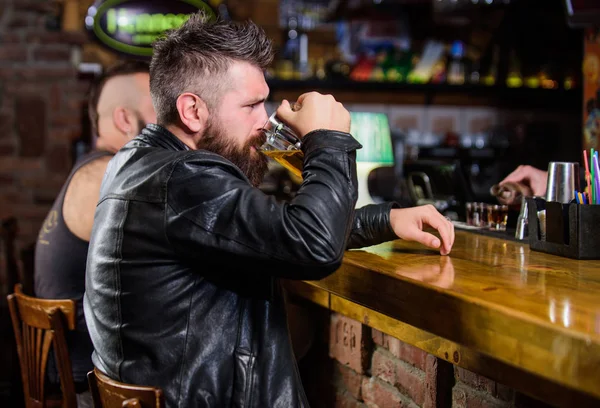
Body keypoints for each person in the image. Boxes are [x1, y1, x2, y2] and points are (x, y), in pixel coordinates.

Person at [83, 12, 454, 408]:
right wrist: (328, 139)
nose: (265, 121)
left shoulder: (142, 162)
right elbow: (312, 245)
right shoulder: (184, 177)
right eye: (252, 105)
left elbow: (275, 229)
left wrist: (387, 219)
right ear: (192, 110)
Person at [34, 60, 156, 405]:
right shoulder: (106, 176)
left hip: (88, 369)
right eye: (160, 105)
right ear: (124, 119)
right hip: (89, 385)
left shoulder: (95, 166)